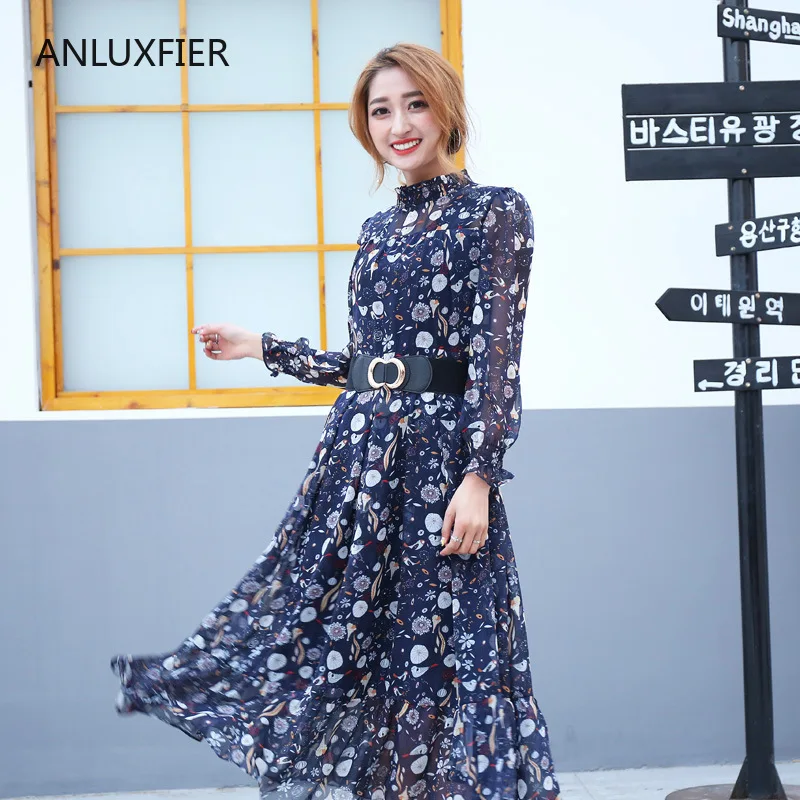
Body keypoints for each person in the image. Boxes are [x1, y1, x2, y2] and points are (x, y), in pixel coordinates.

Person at [111, 42, 561, 800]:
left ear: (447, 109)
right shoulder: (378, 229)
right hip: (356, 462)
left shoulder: (496, 212)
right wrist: (265, 348)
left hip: (437, 466)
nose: (399, 125)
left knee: (442, 645)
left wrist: (481, 474)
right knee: (341, 638)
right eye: (381, 111)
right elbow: (368, 363)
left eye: (415, 104)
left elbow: (496, 359)